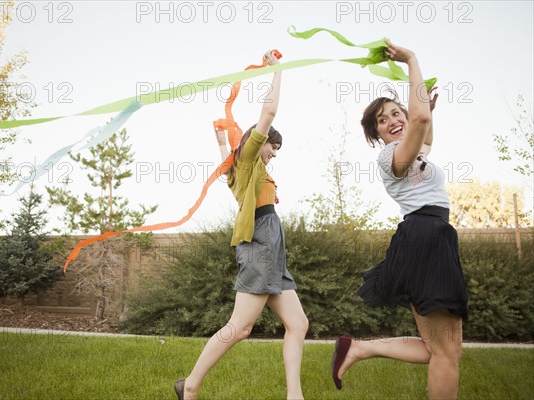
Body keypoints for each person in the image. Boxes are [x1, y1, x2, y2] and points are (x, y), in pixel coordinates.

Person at [330, 40, 469, 400]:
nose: (392, 120)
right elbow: (419, 120)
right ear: (376, 134)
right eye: (382, 119)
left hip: (429, 236)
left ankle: (359, 349)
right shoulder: (391, 157)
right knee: (446, 353)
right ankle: (360, 349)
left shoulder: (413, 149)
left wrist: (426, 113)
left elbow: (424, 130)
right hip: (425, 235)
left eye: (396, 113)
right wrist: (411, 60)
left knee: (438, 349)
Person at [174, 50, 309, 400]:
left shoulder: (242, 167)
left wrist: (219, 139)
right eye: (273, 147)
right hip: (260, 243)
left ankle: (295, 396)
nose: (274, 153)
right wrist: (278, 71)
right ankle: (189, 386)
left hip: (272, 247)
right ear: (258, 141)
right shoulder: (249, 157)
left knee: (298, 324)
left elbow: (225, 156)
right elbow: (269, 111)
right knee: (240, 327)